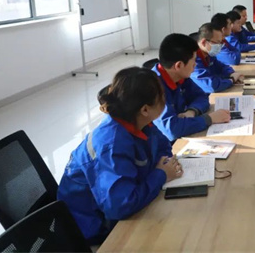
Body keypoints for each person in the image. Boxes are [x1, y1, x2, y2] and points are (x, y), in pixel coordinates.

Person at [57, 67, 183, 244]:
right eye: (162, 96)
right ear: (145, 109)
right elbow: (120, 206)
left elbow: (162, 146)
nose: (165, 99)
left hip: (124, 203)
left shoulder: (139, 120)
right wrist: (161, 174)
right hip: (96, 229)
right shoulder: (111, 144)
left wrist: (164, 163)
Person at [152, 33, 230, 141]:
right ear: (179, 65)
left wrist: (192, 111)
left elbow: (201, 97)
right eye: (193, 60)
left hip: (183, 133)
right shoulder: (153, 87)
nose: (195, 64)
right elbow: (172, 129)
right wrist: (209, 119)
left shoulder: (180, 76)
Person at [190, 23, 244, 93]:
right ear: (203, 42)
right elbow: (211, 86)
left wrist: (231, 73)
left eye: (221, 43)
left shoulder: (208, 55)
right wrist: (232, 79)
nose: (220, 46)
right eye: (217, 43)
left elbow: (221, 67)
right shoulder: (192, 59)